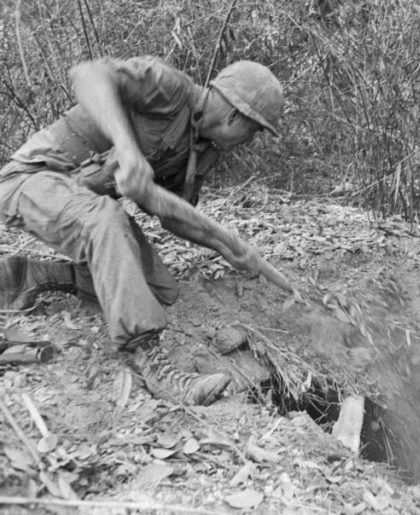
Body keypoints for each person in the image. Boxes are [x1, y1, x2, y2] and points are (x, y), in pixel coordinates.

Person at [0, 56, 293, 405]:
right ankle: (154, 365)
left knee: (159, 290)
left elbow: (170, 214)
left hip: (79, 204)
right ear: (235, 116)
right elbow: (88, 74)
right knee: (105, 216)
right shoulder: (171, 90)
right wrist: (126, 147)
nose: (250, 140)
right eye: (254, 130)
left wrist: (227, 246)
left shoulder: (201, 153)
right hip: (31, 180)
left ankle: (33, 275)